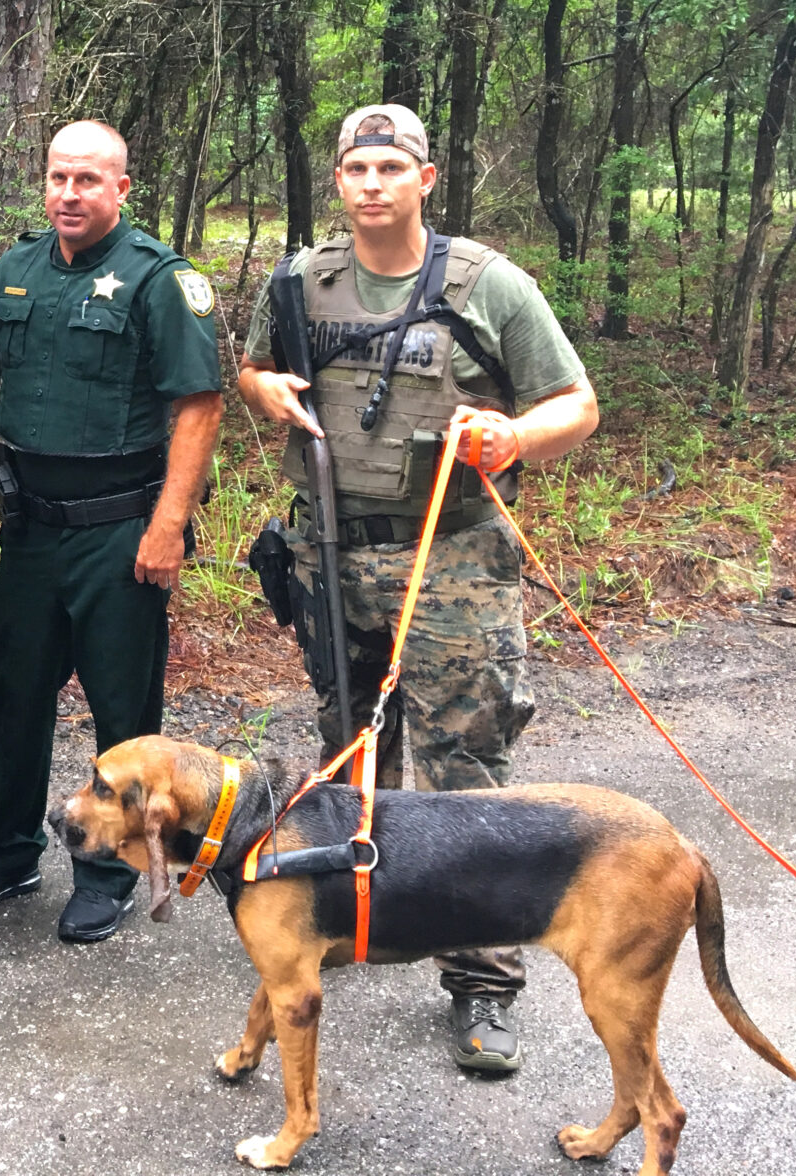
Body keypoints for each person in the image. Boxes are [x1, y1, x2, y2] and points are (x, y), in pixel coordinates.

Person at [237, 102, 599, 1075]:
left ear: (424, 179)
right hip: (329, 554)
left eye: (390, 168)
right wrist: (261, 389)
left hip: (452, 563)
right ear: (338, 179)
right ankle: (351, 913)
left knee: (463, 772)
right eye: (356, 169)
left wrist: (513, 436)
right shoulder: (298, 282)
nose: (371, 185)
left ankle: (481, 979)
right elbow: (256, 371)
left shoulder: (488, 284)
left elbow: (576, 403)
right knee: (350, 752)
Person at [0, 120, 223, 944]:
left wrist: (168, 527)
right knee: (17, 698)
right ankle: (7, 853)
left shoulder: (160, 280)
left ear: (121, 189)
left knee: (122, 713)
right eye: (59, 178)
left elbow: (199, 407)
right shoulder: (15, 272)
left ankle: (110, 869)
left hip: (121, 534)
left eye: (88, 180)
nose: (69, 194)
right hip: (30, 530)